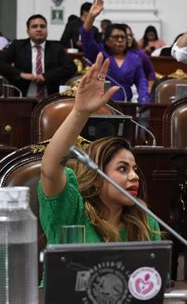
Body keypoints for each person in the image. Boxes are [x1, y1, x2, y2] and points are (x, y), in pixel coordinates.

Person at [39, 52, 160, 244]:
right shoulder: (71, 211)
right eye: (123, 168)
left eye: (134, 169)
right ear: (95, 177)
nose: (134, 176)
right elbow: (50, 169)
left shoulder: (145, 221)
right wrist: (80, 112)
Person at [80, 0, 150, 103]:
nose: (120, 40)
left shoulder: (134, 59)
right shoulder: (100, 54)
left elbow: (141, 81)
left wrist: (144, 100)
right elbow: (86, 39)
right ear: (107, 40)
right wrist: (91, 17)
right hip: (101, 105)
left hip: (126, 105)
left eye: (123, 37)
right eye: (116, 37)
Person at [0, 14, 76, 100]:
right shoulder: (17, 46)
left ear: (47, 30)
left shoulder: (57, 48)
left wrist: (46, 76)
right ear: (28, 31)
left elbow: (71, 67)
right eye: (34, 26)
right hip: (23, 97)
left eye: (42, 26)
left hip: (50, 98)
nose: (39, 29)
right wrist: (21, 74)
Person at [123, 24, 156, 92]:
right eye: (126, 36)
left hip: (138, 90)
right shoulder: (110, 55)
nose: (129, 38)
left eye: (130, 35)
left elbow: (150, 72)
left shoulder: (140, 54)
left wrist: (149, 88)